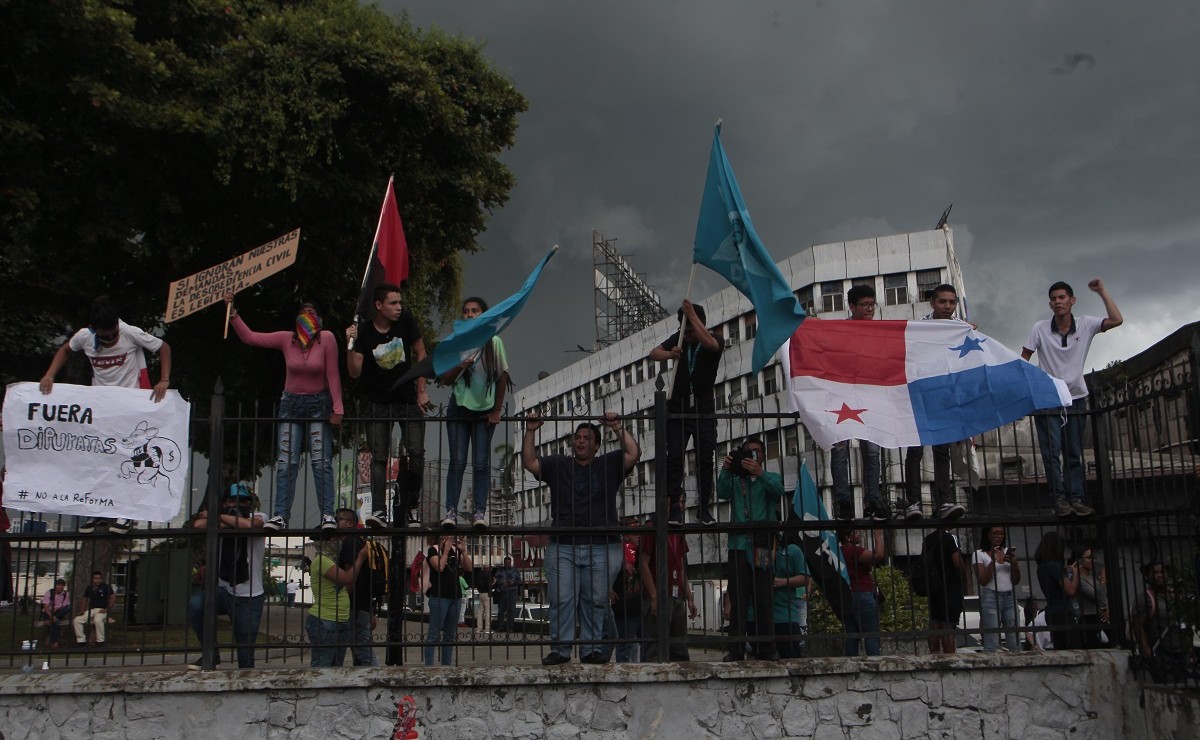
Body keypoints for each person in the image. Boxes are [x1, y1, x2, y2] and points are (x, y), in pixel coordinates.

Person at [40, 296, 172, 534]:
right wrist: (50, 374)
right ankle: (97, 512)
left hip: (130, 405)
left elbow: (163, 348)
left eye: (113, 335)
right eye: (105, 336)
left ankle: (126, 514)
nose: (111, 340)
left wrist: (163, 379)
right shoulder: (84, 337)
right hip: (102, 407)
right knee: (99, 459)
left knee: (129, 459)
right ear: (95, 330)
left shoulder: (130, 333)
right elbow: (65, 350)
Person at [522, 411, 640, 665]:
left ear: (597, 445)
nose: (581, 441)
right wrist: (531, 430)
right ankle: (561, 650)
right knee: (562, 600)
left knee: (595, 601)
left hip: (602, 545)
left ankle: (591, 650)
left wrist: (617, 427)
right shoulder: (558, 465)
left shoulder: (608, 464)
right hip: (563, 545)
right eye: (577, 437)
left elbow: (633, 453)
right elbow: (530, 462)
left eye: (587, 438)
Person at [225, 294, 343, 531]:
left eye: (312, 312)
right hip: (291, 405)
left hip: (319, 405)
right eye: (303, 313)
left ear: (319, 318)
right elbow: (250, 338)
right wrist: (233, 313)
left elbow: (333, 374)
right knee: (286, 462)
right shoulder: (287, 339)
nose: (307, 317)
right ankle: (280, 515)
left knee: (321, 462)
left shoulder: (326, 338)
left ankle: (328, 515)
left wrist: (337, 408)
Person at [1021, 279, 1123, 518]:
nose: (1058, 302)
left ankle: (1076, 498)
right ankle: (1058, 498)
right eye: (1054, 299)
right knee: (1051, 451)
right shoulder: (1040, 328)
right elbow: (1024, 357)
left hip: (1076, 397)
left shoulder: (1086, 324)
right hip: (1048, 398)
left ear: (1072, 300)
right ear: (1050, 304)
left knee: (1074, 452)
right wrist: (1024, 385)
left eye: (1062, 297)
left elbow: (1117, 320)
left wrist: (1102, 291)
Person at [346, 282, 430, 528]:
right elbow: (354, 372)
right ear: (378, 305)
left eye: (400, 302)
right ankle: (380, 511)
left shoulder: (406, 321)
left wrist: (422, 390)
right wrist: (349, 344)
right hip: (377, 403)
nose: (398, 307)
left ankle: (411, 507)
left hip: (406, 399)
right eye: (393, 303)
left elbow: (421, 353)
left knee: (415, 452)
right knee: (379, 458)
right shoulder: (364, 331)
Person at [437, 296, 510, 529]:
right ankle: (450, 511)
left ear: (484, 314)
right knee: (457, 462)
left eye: (475, 311)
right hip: (459, 408)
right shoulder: (457, 341)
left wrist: (497, 409)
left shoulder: (494, 341)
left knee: (480, 463)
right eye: (466, 311)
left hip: (484, 410)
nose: (470, 315)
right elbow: (445, 379)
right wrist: (461, 365)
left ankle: (480, 512)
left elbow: (502, 376)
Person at [648, 300, 722, 525]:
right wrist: (671, 354)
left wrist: (692, 316)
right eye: (684, 328)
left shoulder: (713, 338)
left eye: (691, 328)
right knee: (675, 457)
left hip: (703, 411)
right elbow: (653, 353)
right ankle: (674, 507)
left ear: (700, 324)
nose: (687, 333)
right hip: (678, 410)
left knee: (705, 458)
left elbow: (710, 344)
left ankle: (703, 507)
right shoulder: (679, 339)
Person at [903, 285, 968, 521]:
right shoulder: (920, 327)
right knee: (915, 450)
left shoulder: (961, 328)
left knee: (942, 451)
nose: (947, 307)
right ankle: (913, 503)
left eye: (952, 302)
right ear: (932, 303)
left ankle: (944, 502)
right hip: (921, 394)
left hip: (945, 397)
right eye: (943, 302)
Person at [717, 437, 784, 661]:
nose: (752, 455)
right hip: (738, 545)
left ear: (762, 456)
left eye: (756, 452)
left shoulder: (770, 477)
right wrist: (726, 469)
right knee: (738, 599)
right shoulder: (737, 480)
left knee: (763, 597)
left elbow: (778, 491)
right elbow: (721, 492)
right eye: (748, 452)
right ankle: (736, 649)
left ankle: (766, 648)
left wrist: (760, 474)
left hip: (761, 544)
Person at [187, 483, 267, 668]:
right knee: (197, 604)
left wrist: (215, 515)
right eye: (232, 501)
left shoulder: (259, 516)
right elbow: (199, 524)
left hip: (249, 595)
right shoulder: (223, 520)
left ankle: (247, 684)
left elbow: (248, 525)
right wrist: (226, 518)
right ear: (224, 502)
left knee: (245, 650)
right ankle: (210, 653)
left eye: (244, 501)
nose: (238, 505)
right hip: (224, 589)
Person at [831, 285, 891, 521]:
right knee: (840, 452)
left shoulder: (880, 332)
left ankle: (873, 500)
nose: (869, 309)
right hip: (842, 398)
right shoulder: (839, 331)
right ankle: (843, 502)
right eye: (864, 305)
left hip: (869, 397)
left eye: (872, 304)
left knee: (872, 452)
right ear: (852, 307)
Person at [639, 507, 697, 662]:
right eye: (680, 502)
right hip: (658, 593)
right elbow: (643, 564)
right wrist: (653, 595)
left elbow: (681, 566)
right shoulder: (651, 527)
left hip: (676, 594)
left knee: (679, 648)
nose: (682, 507)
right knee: (654, 648)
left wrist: (689, 597)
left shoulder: (677, 529)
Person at [306, 532, 369, 667]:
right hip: (325, 620)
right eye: (335, 539)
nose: (338, 542)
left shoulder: (331, 562)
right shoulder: (323, 561)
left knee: (335, 667)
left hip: (339, 619)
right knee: (322, 666)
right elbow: (347, 578)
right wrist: (360, 558)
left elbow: (343, 589)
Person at [1132, 561, 1196, 682]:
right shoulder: (1145, 599)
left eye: (1162, 572)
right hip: (1161, 652)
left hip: (1181, 651)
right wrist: (1146, 649)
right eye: (1155, 573)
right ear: (1147, 576)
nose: (1159, 575)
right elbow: (1137, 624)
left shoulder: (1175, 595)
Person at [335, 509, 378, 666]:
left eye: (338, 519)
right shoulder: (360, 542)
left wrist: (342, 599)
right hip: (363, 605)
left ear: (349, 523)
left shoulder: (350, 543)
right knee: (361, 649)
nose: (335, 522)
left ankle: (375, 681)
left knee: (362, 652)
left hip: (354, 606)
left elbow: (350, 576)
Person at [425, 533, 472, 666]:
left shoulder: (455, 551)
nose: (452, 536)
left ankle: (447, 666)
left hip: (455, 597)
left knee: (450, 635)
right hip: (439, 596)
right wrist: (445, 550)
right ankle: (429, 667)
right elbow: (439, 567)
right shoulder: (433, 550)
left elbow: (468, 568)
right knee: (434, 634)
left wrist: (463, 552)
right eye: (448, 534)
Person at [973, 525, 1022, 653]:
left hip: (1010, 596)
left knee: (1014, 638)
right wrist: (992, 563)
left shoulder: (1007, 552)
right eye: (995, 533)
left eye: (1001, 533)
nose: (999, 536)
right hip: (991, 596)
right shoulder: (979, 554)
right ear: (987, 535)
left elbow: (1016, 580)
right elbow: (982, 581)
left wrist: (1015, 565)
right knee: (992, 640)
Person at [838, 527, 885, 657]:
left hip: (847, 595)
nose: (859, 534)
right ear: (848, 537)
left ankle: (851, 664)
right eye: (856, 532)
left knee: (852, 635)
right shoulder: (854, 551)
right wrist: (878, 535)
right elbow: (879, 555)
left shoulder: (839, 553)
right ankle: (875, 664)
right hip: (863, 593)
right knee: (871, 634)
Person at [923, 525, 967, 654]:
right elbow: (957, 562)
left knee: (935, 623)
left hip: (934, 586)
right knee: (948, 625)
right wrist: (964, 578)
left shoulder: (928, 539)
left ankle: (934, 656)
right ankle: (949, 657)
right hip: (950, 586)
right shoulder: (950, 537)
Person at [1034, 531, 1080, 649]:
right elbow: (1071, 590)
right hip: (1063, 612)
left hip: (1052, 612)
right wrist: (1075, 572)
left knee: (1061, 649)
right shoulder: (1054, 566)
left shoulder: (1041, 567)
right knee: (1073, 649)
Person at [768, 534, 811, 659]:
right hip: (761, 617)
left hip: (785, 616)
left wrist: (781, 582)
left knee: (791, 659)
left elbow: (805, 578)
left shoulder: (792, 550)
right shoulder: (760, 551)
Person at [609, 518, 644, 663]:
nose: (638, 535)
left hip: (639, 603)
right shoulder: (616, 550)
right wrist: (608, 587)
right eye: (634, 532)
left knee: (643, 641)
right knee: (624, 642)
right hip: (623, 605)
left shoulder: (641, 549)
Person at [1074, 546, 1109, 649]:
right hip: (1089, 619)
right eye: (1089, 558)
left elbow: (1105, 598)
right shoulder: (1080, 579)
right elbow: (1099, 596)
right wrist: (1103, 580)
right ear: (1080, 560)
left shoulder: (1093, 577)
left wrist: (1108, 608)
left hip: (1101, 617)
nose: (1093, 561)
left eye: (1093, 558)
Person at [73, 570, 116, 646]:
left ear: (102, 579)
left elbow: (113, 598)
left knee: (97, 620)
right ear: (92, 579)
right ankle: (81, 641)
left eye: (99, 578)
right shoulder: (89, 588)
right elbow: (85, 599)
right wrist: (83, 610)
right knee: (77, 620)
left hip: (102, 610)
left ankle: (100, 641)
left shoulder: (106, 587)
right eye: (95, 578)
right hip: (92, 610)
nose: (97, 580)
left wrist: (107, 609)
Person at [492, 556, 521, 633]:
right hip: (502, 592)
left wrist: (512, 583)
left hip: (512, 592)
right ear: (504, 563)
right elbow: (495, 580)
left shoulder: (515, 571)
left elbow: (519, 581)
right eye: (506, 563)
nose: (507, 565)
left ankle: (510, 628)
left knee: (511, 611)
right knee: (501, 611)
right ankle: (500, 626)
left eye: (509, 563)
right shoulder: (500, 571)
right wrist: (501, 582)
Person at [41, 579, 71, 648]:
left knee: (68, 607)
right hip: (49, 612)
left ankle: (54, 642)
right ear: (55, 586)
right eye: (58, 585)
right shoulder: (49, 593)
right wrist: (51, 616)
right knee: (55, 622)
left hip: (59, 612)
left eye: (62, 585)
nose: (60, 587)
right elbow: (46, 607)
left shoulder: (66, 594)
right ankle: (56, 642)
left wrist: (55, 615)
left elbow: (64, 606)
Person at [474, 565, 493, 634]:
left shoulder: (480, 574)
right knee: (488, 611)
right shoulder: (488, 575)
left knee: (480, 611)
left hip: (481, 593)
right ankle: (487, 629)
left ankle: (479, 628)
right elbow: (489, 585)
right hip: (487, 593)